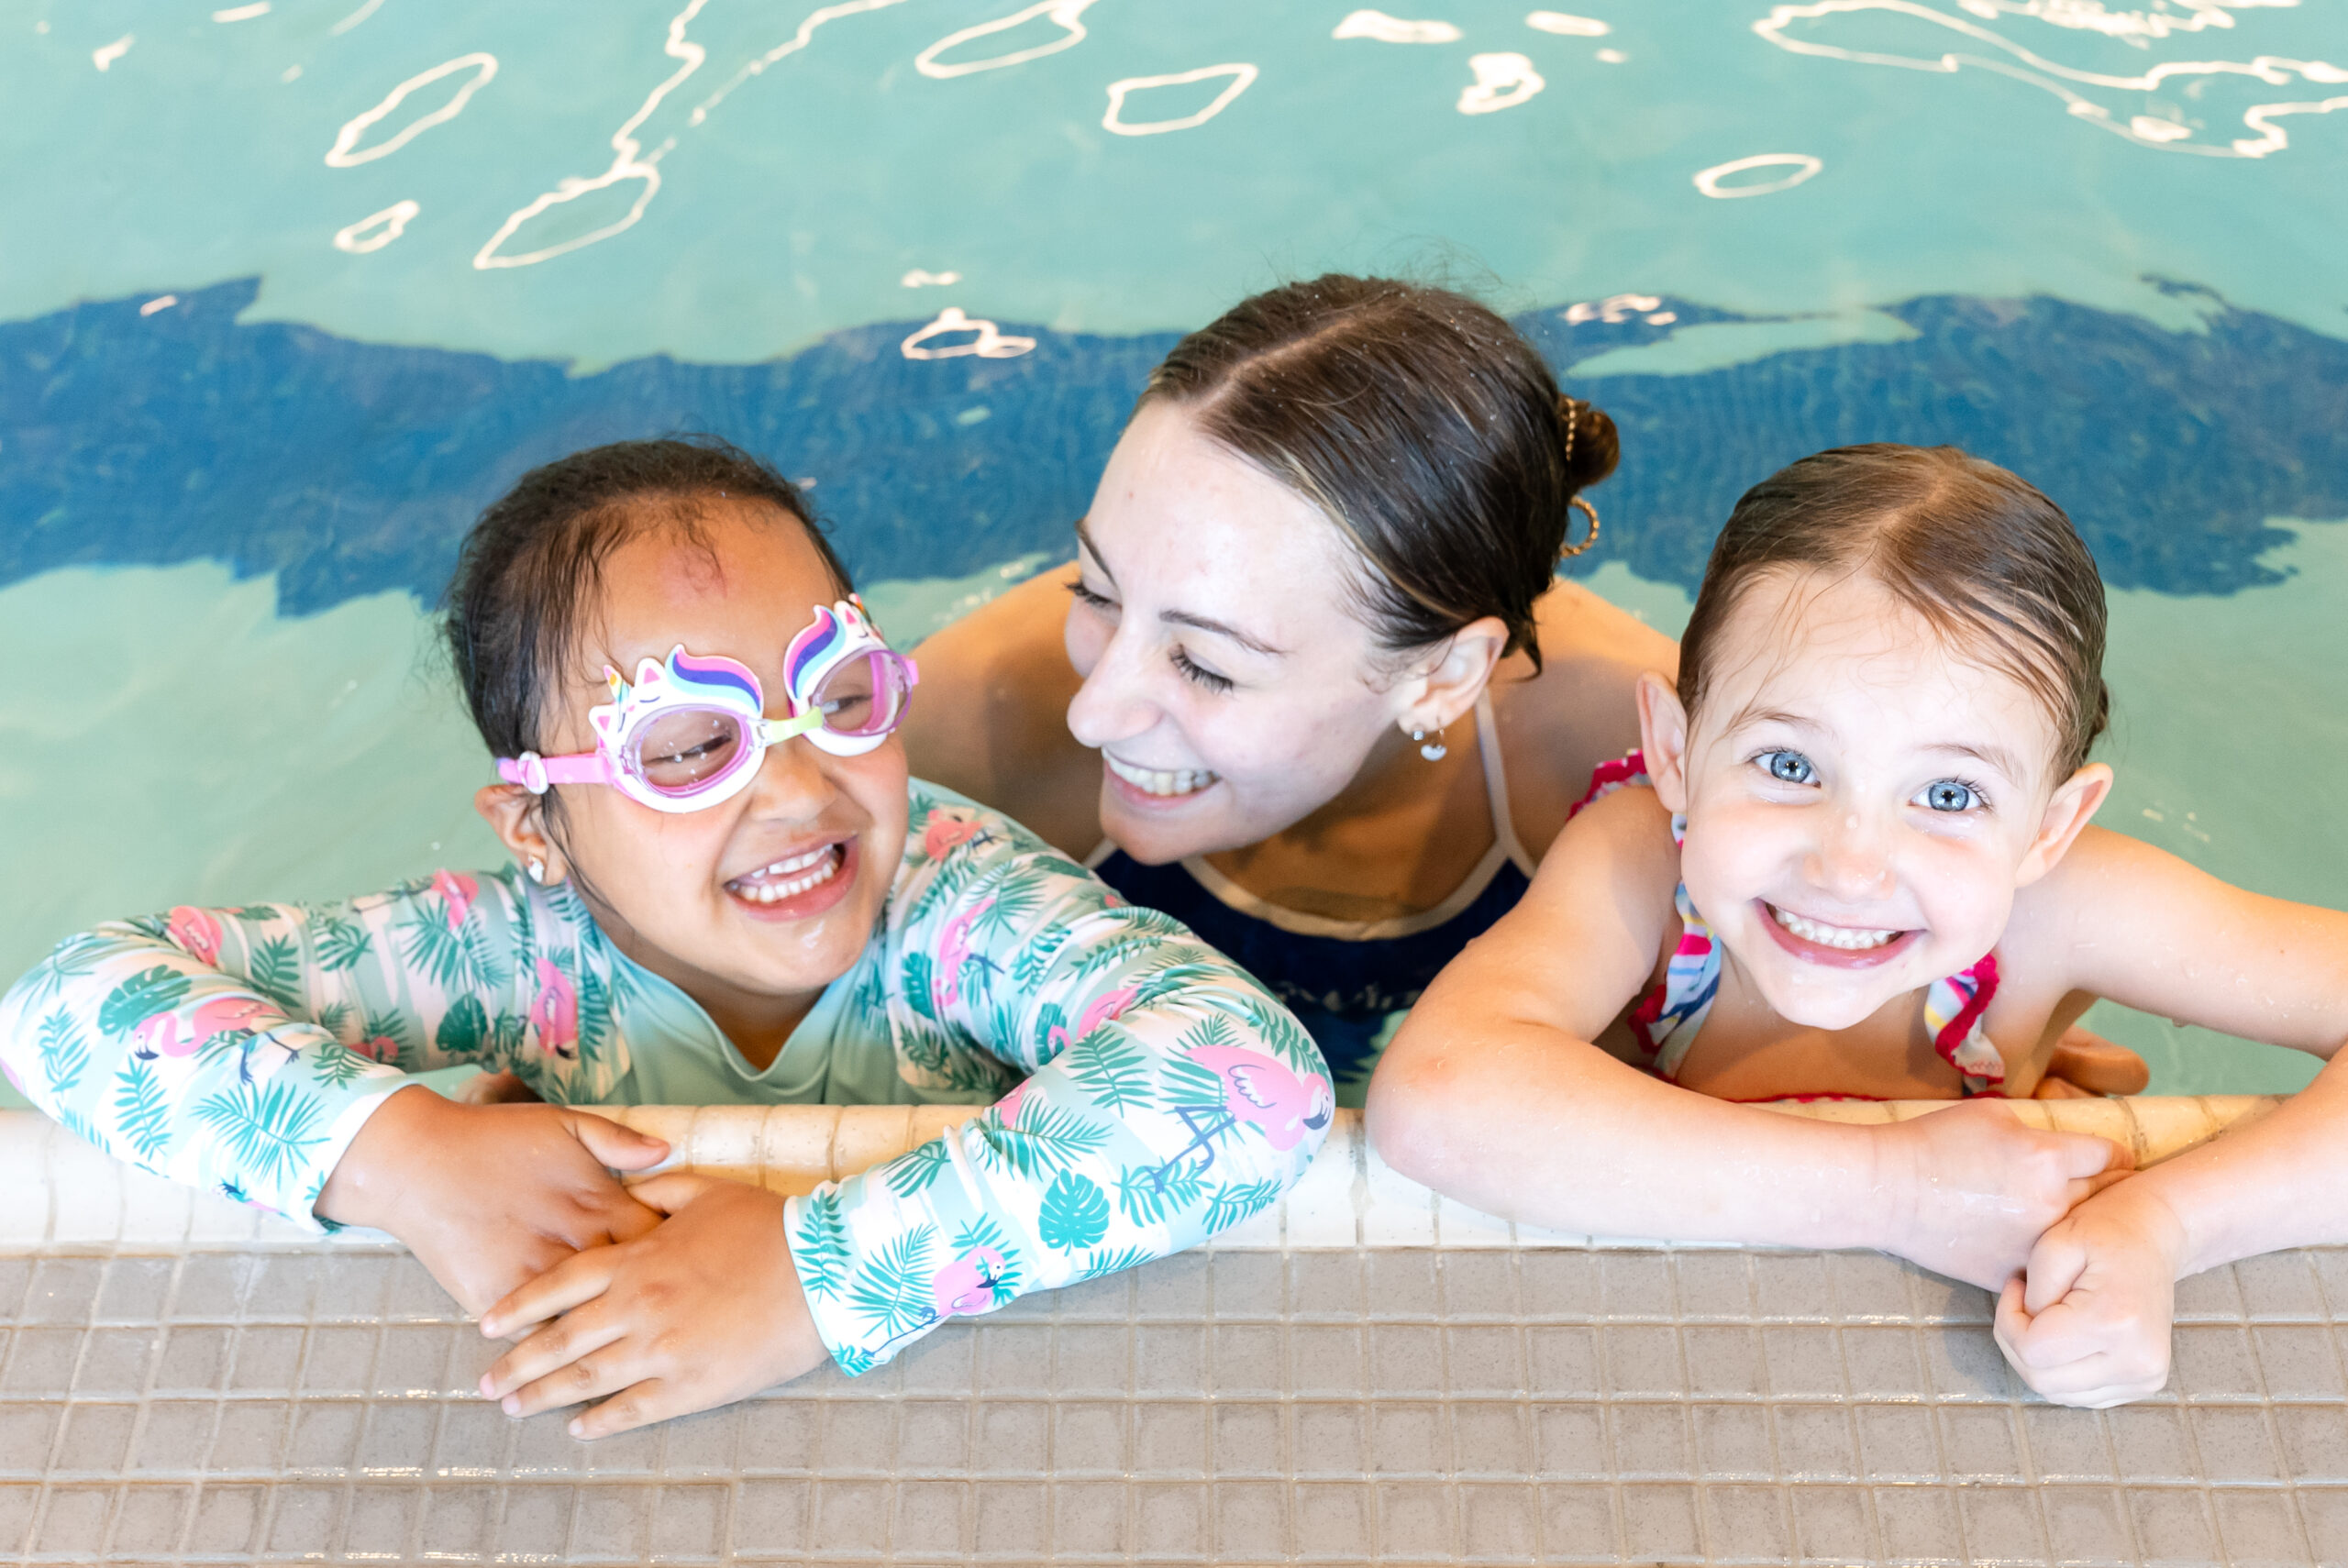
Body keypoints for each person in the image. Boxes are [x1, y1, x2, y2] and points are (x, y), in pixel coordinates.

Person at [0, 437, 1330, 1436]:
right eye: (691, 747)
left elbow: (1251, 1082)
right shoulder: (508, 952)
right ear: (536, 825)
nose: (803, 787)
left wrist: (819, 1273)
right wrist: (406, 1155)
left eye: (843, 696)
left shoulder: (951, 898)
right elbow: (67, 1003)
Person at [1366, 444, 2348, 1406]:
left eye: (1951, 795)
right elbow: (1440, 1097)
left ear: (2049, 828)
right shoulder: (1639, 864)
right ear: (1673, 751)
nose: (1848, 866)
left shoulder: (2067, 906)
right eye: (1789, 766)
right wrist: (1897, 1190)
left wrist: (2165, 1226)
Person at [907, 274, 1675, 1096]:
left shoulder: (1641, 775)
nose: (1091, 715)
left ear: (1442, 674)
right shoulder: (972, 722)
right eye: (1095, 591)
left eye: (1206, 663)